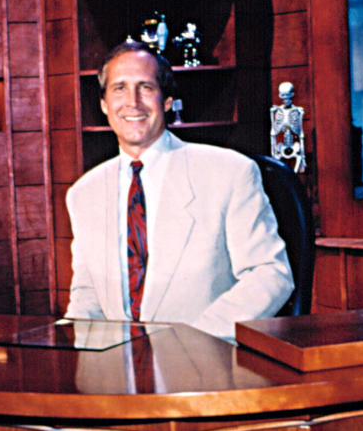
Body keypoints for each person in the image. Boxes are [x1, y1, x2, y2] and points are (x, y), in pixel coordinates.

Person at [64, 41, 293, 340]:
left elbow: (270, 274)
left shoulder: (230, 172)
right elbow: (87, 296)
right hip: (117, 373)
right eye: (119, 88)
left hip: (206, 366)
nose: (132, 102)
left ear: (168, 101)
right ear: (104, 105)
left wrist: (192, 340)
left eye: (145, 87)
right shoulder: (84, 194)